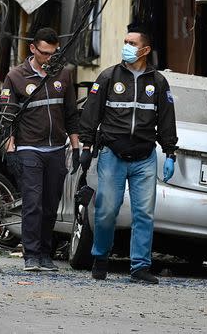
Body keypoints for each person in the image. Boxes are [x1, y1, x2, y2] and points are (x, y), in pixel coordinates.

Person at [77, 22, 178, 284]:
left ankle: (140, 266)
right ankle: (100, 258)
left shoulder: (158, 82)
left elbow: (167, 120)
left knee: (144, 213)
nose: (126, 47)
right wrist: (85, 147)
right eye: (125, 42)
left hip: (144, 157)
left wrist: (170, 153)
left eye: (132, 44)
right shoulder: (109, 77)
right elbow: (90, 114)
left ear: (145, 50)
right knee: (106, 210)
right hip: (112, 154)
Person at [0, 28, 79, 272]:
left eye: (53, 53)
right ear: (33, 49)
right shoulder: (15, 77)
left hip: (56, 149)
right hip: (28, 148)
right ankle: (31, 254)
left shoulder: (63, 75)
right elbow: (6, 119)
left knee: (50, 204)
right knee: (33, 202)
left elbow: (71, 115)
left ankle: (46, 253)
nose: (48, 58)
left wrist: (76, 148)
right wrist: (10, 150)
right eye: (44, 53)